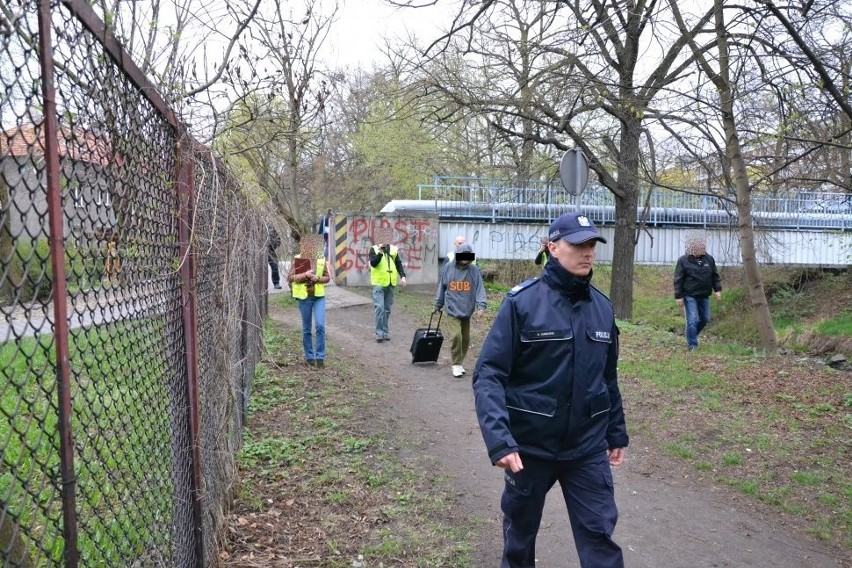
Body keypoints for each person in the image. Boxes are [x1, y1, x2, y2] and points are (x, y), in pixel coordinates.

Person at [472, 211, 629, 568]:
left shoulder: (602, 308)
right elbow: (489, 374)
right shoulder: (521, 303)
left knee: (600, 539)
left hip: (586, 449)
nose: (587, 252)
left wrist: (616, 432)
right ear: (552, 247)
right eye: (578, 245)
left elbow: (608, 377)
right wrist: (499, 440)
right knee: (519, 538)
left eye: (591, 245)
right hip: (529, 449)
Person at [434, 243, 487, 378]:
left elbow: (479, 288)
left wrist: (481, 305)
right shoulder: (448, 268)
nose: (464, 260)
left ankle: (459, 362)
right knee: (456, 336)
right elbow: (442, 287)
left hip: (466, 309)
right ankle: (456, 364)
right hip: (452, 308)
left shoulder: (474, 270)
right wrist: (438, 304)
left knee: (465, 339)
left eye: (467, 257)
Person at [673, 235, 722, 351]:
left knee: (705, 318)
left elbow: (715, 276)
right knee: (692, 320)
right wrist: (678, 296)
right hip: (689, 295)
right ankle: (692, 345)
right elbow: (678, 279)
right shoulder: (683, 260)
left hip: (704, 294)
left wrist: (717, 290)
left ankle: (691, 334)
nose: (699, 249)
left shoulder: (709, 259)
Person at [287, 247, 332, 366]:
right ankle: (309, 357)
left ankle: (320, 356)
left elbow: (327, 278)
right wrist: (305, 275)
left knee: (320, 325)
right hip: (304, 297)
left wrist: (317, 278)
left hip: (319, 297)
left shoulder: (321, 259)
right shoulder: (298, 259)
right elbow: (290, 278)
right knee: (306, 328)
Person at [369, 240, 407, 342]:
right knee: (379, 308)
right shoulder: (374, 249)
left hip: (390, 283)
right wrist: (381, 251)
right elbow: (373, 263)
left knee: (387, 309)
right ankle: (379, 334)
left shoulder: (394, 249)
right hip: (379, 283)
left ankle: (385, 332)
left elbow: (398, 264)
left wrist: (403, 276)